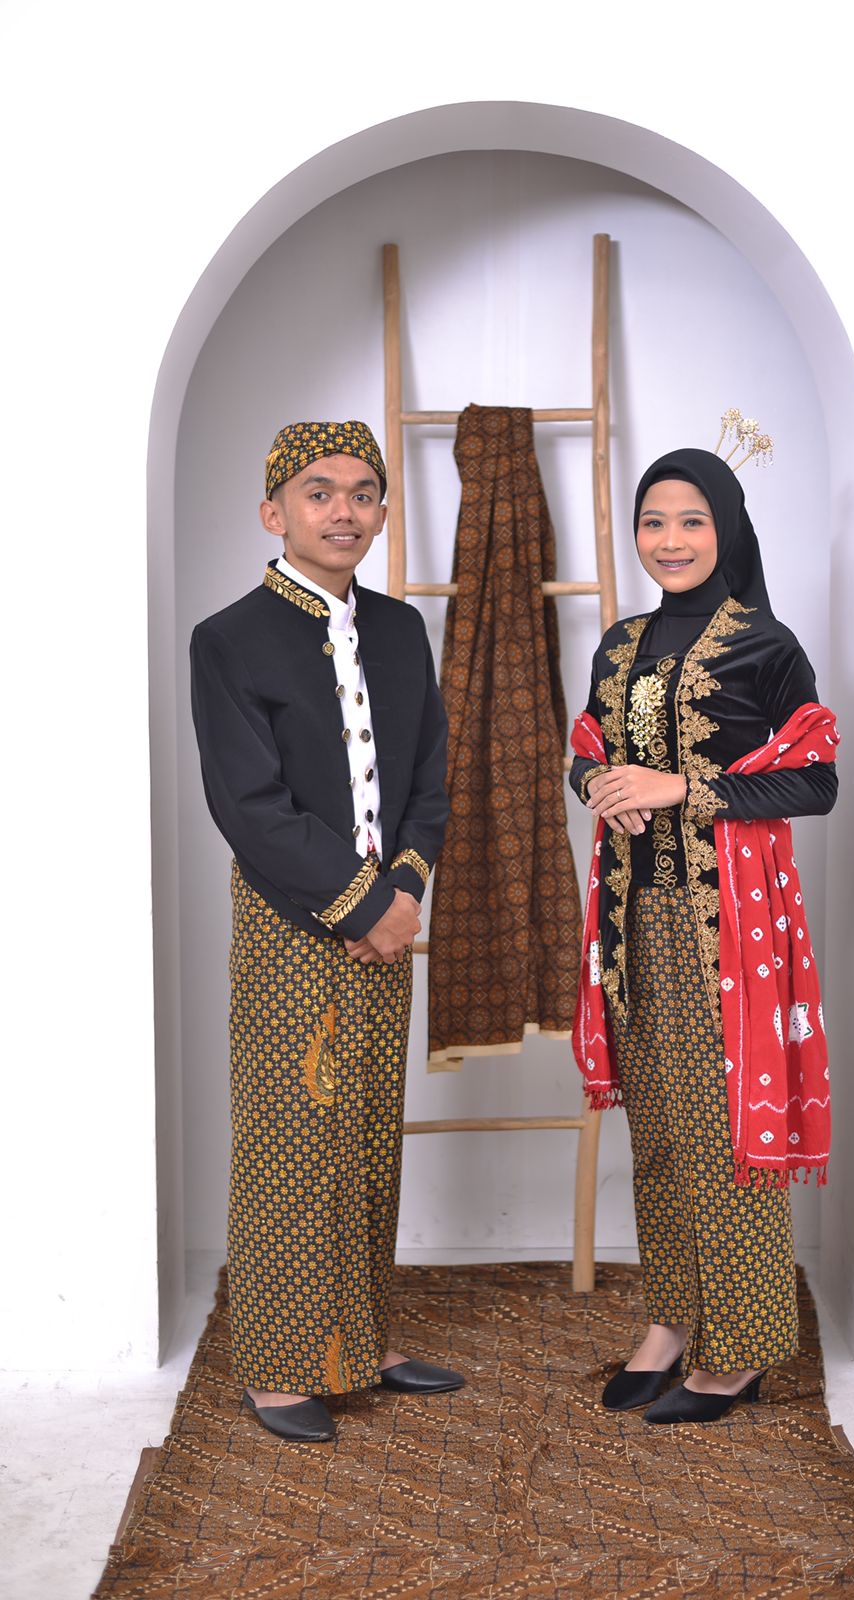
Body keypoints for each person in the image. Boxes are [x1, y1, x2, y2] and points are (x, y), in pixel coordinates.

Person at [190, 419, 461, 1443]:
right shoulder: (229, 639)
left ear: (382, 512)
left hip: (388, 918)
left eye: (362, 493)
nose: (342, 510)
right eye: (318, 491)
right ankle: (278, 1367)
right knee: (290, 1141)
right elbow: (249, 804)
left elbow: (428, 775)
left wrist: (404, 890)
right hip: (287, 921)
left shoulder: (399, 630)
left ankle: (360, 1340)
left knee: (367, 1132)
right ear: (275, 512)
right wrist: (359, 904)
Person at [569, 447, 838, 1424]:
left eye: (691, 520)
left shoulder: (764, 644)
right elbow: (587, 748)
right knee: (658, 1133)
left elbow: (815, 778)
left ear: (725, 528)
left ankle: (741, 1350)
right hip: (630, 917)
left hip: (724, 928)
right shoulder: (620, 644)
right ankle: (674, 1321)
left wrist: (681, 787)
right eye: (653, 521)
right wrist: (602, 787)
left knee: (723, 1133)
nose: (670, 540)